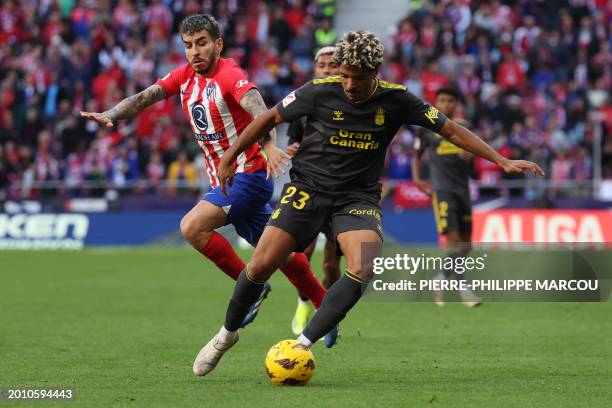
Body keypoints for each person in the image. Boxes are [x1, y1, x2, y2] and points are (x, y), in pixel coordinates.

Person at [193, 30, 544, 377]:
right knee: (260, 265)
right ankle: (226, 335)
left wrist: (501, 160)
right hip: (308, 190)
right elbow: (268, 118)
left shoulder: (398, 99)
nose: (348, 84)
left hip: (356, 198)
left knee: (363, 265)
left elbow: (449, 129)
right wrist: (230, 156)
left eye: (356, 78)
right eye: (344, 76)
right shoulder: (318, 91)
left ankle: (301, 346)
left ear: (375, 74)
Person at [80, 14, 326, 328]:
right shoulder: (183, 76)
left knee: (192, 228)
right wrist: (111, 113)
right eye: (188, 46)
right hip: (226, 181)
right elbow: (146, 97)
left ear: (218, 44)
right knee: (280, 253)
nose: (194, 51)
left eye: (201, 43)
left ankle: (250, 288)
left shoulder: (228, 73)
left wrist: (269, 146)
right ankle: (324, 305)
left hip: (247, 175)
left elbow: (258, 108)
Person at [286, 46, 342, 344]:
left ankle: (328, 313)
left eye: (333, 64)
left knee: (331, 266)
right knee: (301, 257)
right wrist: (292, 148)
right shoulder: (304, 102)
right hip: (308, 187)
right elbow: (294, 141)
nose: (327, 69)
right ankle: (305, 302)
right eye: (322, 64)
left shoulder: (352, 103)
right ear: (315, 70)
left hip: (341, 193)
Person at [412, 87, 481, 307]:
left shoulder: (465, 128)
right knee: (452, 241)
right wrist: (417, 179)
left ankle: (440, 279)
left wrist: (470, 157)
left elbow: (474, 164)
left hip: (463, 190)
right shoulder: (427, 129)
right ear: (437, 103)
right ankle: (463, 289)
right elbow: (416, 154)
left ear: (456, 104)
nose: (447, 104)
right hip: (442, 190)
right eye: (443, 100)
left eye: (451, 100)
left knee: (466, 244)